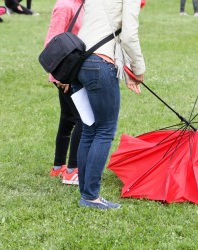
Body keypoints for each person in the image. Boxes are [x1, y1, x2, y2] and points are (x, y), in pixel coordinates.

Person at [71, 0, 146, 209]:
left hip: (79, 62)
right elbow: (129, 36)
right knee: (104, 130)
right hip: (99, 63)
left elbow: (104, 30)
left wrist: (127, 70)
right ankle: (90, 196)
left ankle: (86, 193)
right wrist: (138, 69)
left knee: (90, 129)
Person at [45, 0, 84, 185]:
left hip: (73, 72)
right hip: (64, 74)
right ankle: (71, 171)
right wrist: (62, 76)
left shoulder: (84, 4)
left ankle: (58, 166)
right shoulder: (65, 5)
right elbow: (53, 41)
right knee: (82, 119)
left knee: (68, 119)